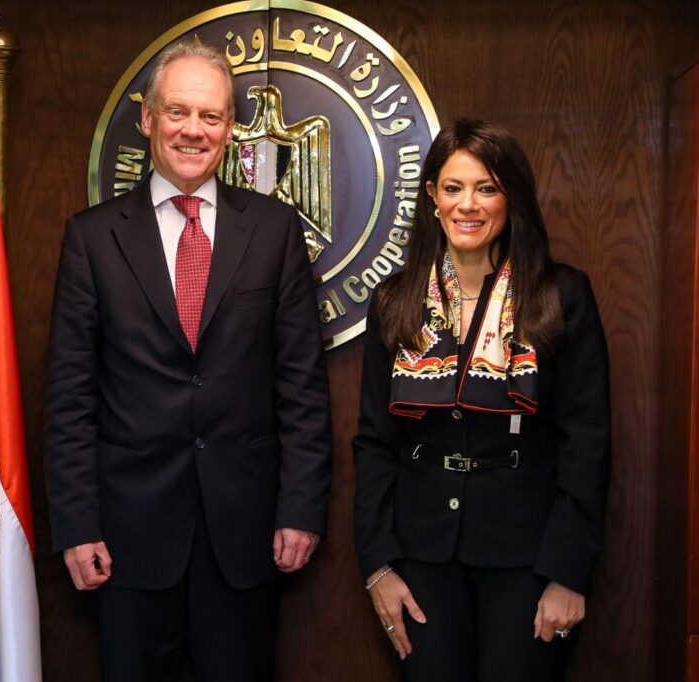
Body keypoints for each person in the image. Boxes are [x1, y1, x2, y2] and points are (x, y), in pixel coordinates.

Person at [45, 41, 332, 681]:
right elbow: (69, 398)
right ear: (148, 118)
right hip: (126, 539)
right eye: (178, 112)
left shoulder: (275, 231)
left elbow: (302, 389)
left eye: (211, 116)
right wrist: (76, 525)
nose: (193, 131)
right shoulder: (92, 238)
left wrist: (301, 509)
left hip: (246, 534)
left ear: (230, 129)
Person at [352, 119, 610, 681]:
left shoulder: (560, 295)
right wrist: (378, 566)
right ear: (432, 196)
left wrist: (568, 572)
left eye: (486, 188)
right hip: (420, 554)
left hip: (529, 557)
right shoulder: (396, 300)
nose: (468, 205)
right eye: (453, 187)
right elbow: (373, 442)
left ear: (510, 197)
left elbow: (587, 444)